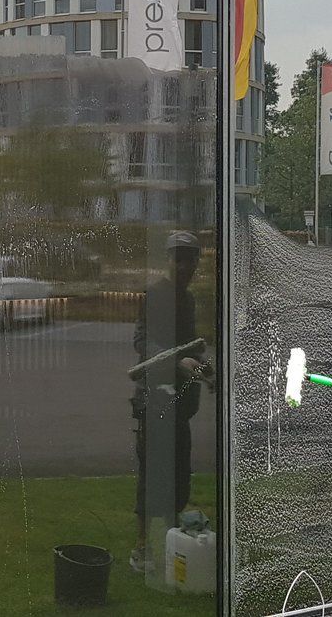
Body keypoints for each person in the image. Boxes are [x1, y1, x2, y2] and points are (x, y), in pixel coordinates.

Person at [130, 230, 212, 574]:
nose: (184, 266)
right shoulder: (156, 295)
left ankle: (173, 546)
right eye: (178, 259)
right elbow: (142, 342)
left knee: (180, 475)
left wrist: (205, 369)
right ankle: (141, 549)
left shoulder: (188, 299)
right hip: (154, 399)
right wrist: (176, 363)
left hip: (180, 403)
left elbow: (192, 345)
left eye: (190, 259)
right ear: (168, 260)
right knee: (152, 476)